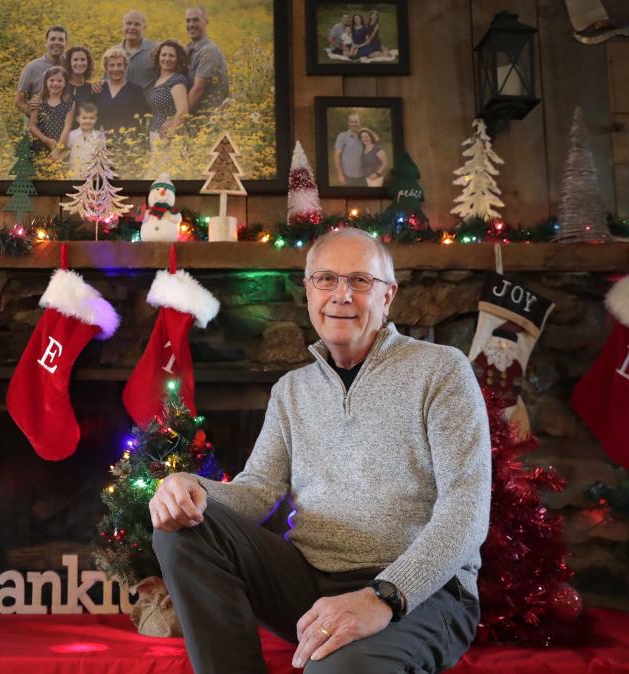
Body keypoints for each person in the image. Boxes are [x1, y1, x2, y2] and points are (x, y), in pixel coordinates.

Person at [151, 227, 491, 674]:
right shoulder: (290, 391)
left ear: (388, 296)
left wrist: (383, 596)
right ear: (309, 291)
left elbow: (466, 511)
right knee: (183, 525)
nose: (341, 295)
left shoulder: (441, 371)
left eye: (360, 281)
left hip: (424, 592)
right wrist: (189, 487)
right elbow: (256, 493)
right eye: (326, 279)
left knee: (334, 670)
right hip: (311, 580)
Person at [15, 26, 68, 117]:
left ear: (66, 43)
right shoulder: (31, 68)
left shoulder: (71, 66)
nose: (56, 42)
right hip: (36, 127)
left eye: (61, 39)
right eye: (52, 39)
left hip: (65, 127)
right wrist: (36, 116)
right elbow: (19, 101)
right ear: (46, 43)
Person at [184, 6, 229, 113]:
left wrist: (177, 119)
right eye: (188, 21)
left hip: (208, 117)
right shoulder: (189, 48)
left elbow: (198, 89)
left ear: (206, 22)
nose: (191, 24)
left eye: (195, 20)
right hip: (194, 114)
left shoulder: (209, 50)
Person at [95, 47, 149, 134]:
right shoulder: (99, 88)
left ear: (125, 66)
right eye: (111, 65)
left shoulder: (136, 90)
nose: (116, 69)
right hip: (101, 142)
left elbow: (141, 119)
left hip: (127, 142)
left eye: (119, 65)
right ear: (106, 67)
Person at [147, 40, 189, 144]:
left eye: (171, 56)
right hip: (155, 134)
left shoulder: (176, 80)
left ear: (178, 59)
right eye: (164, 55)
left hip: (168, 137)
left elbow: (183, 112)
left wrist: (170, 134)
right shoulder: (157, 79)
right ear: (158, 57)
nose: (167, 59)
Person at [28, 65, 74, 159]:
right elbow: (32, 126)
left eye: (59, 81)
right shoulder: (38, 101)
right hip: (40, 144)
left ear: (65, 83)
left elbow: (67, 126)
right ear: (46, 82)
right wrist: (46, 140)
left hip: (60, 146)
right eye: (52, 80)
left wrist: (58, 149)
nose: (55, 84)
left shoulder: (69, 103)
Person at [115, 9, 158, 93]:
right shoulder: (113, 51)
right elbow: (107, 80)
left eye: (137, 24)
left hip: (146, 105)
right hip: (120, 105)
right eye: (128, 23)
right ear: (122, 26)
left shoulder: (156, 49)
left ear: (144, 28)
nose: (132, 27)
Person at [66, 103, 105, 175]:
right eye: (84, 118)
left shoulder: (100, 136)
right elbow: (65, 152)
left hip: (93, 175)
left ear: (96, 119)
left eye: (91, 118)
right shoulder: (71, 135)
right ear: (78, 119)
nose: (88, 121)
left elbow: (103, 156)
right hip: (75, 174)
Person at [334, 113, 365, 186]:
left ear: (359, 122)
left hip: (363, 175)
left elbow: (376, 141)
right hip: (348, 176)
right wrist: (340, 175)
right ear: (348, 123)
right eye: (352, 122)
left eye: (356, 121)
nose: (354, 124)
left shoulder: (364, 136)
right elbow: (336, 156)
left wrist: (365, 129)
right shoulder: (342, 136)